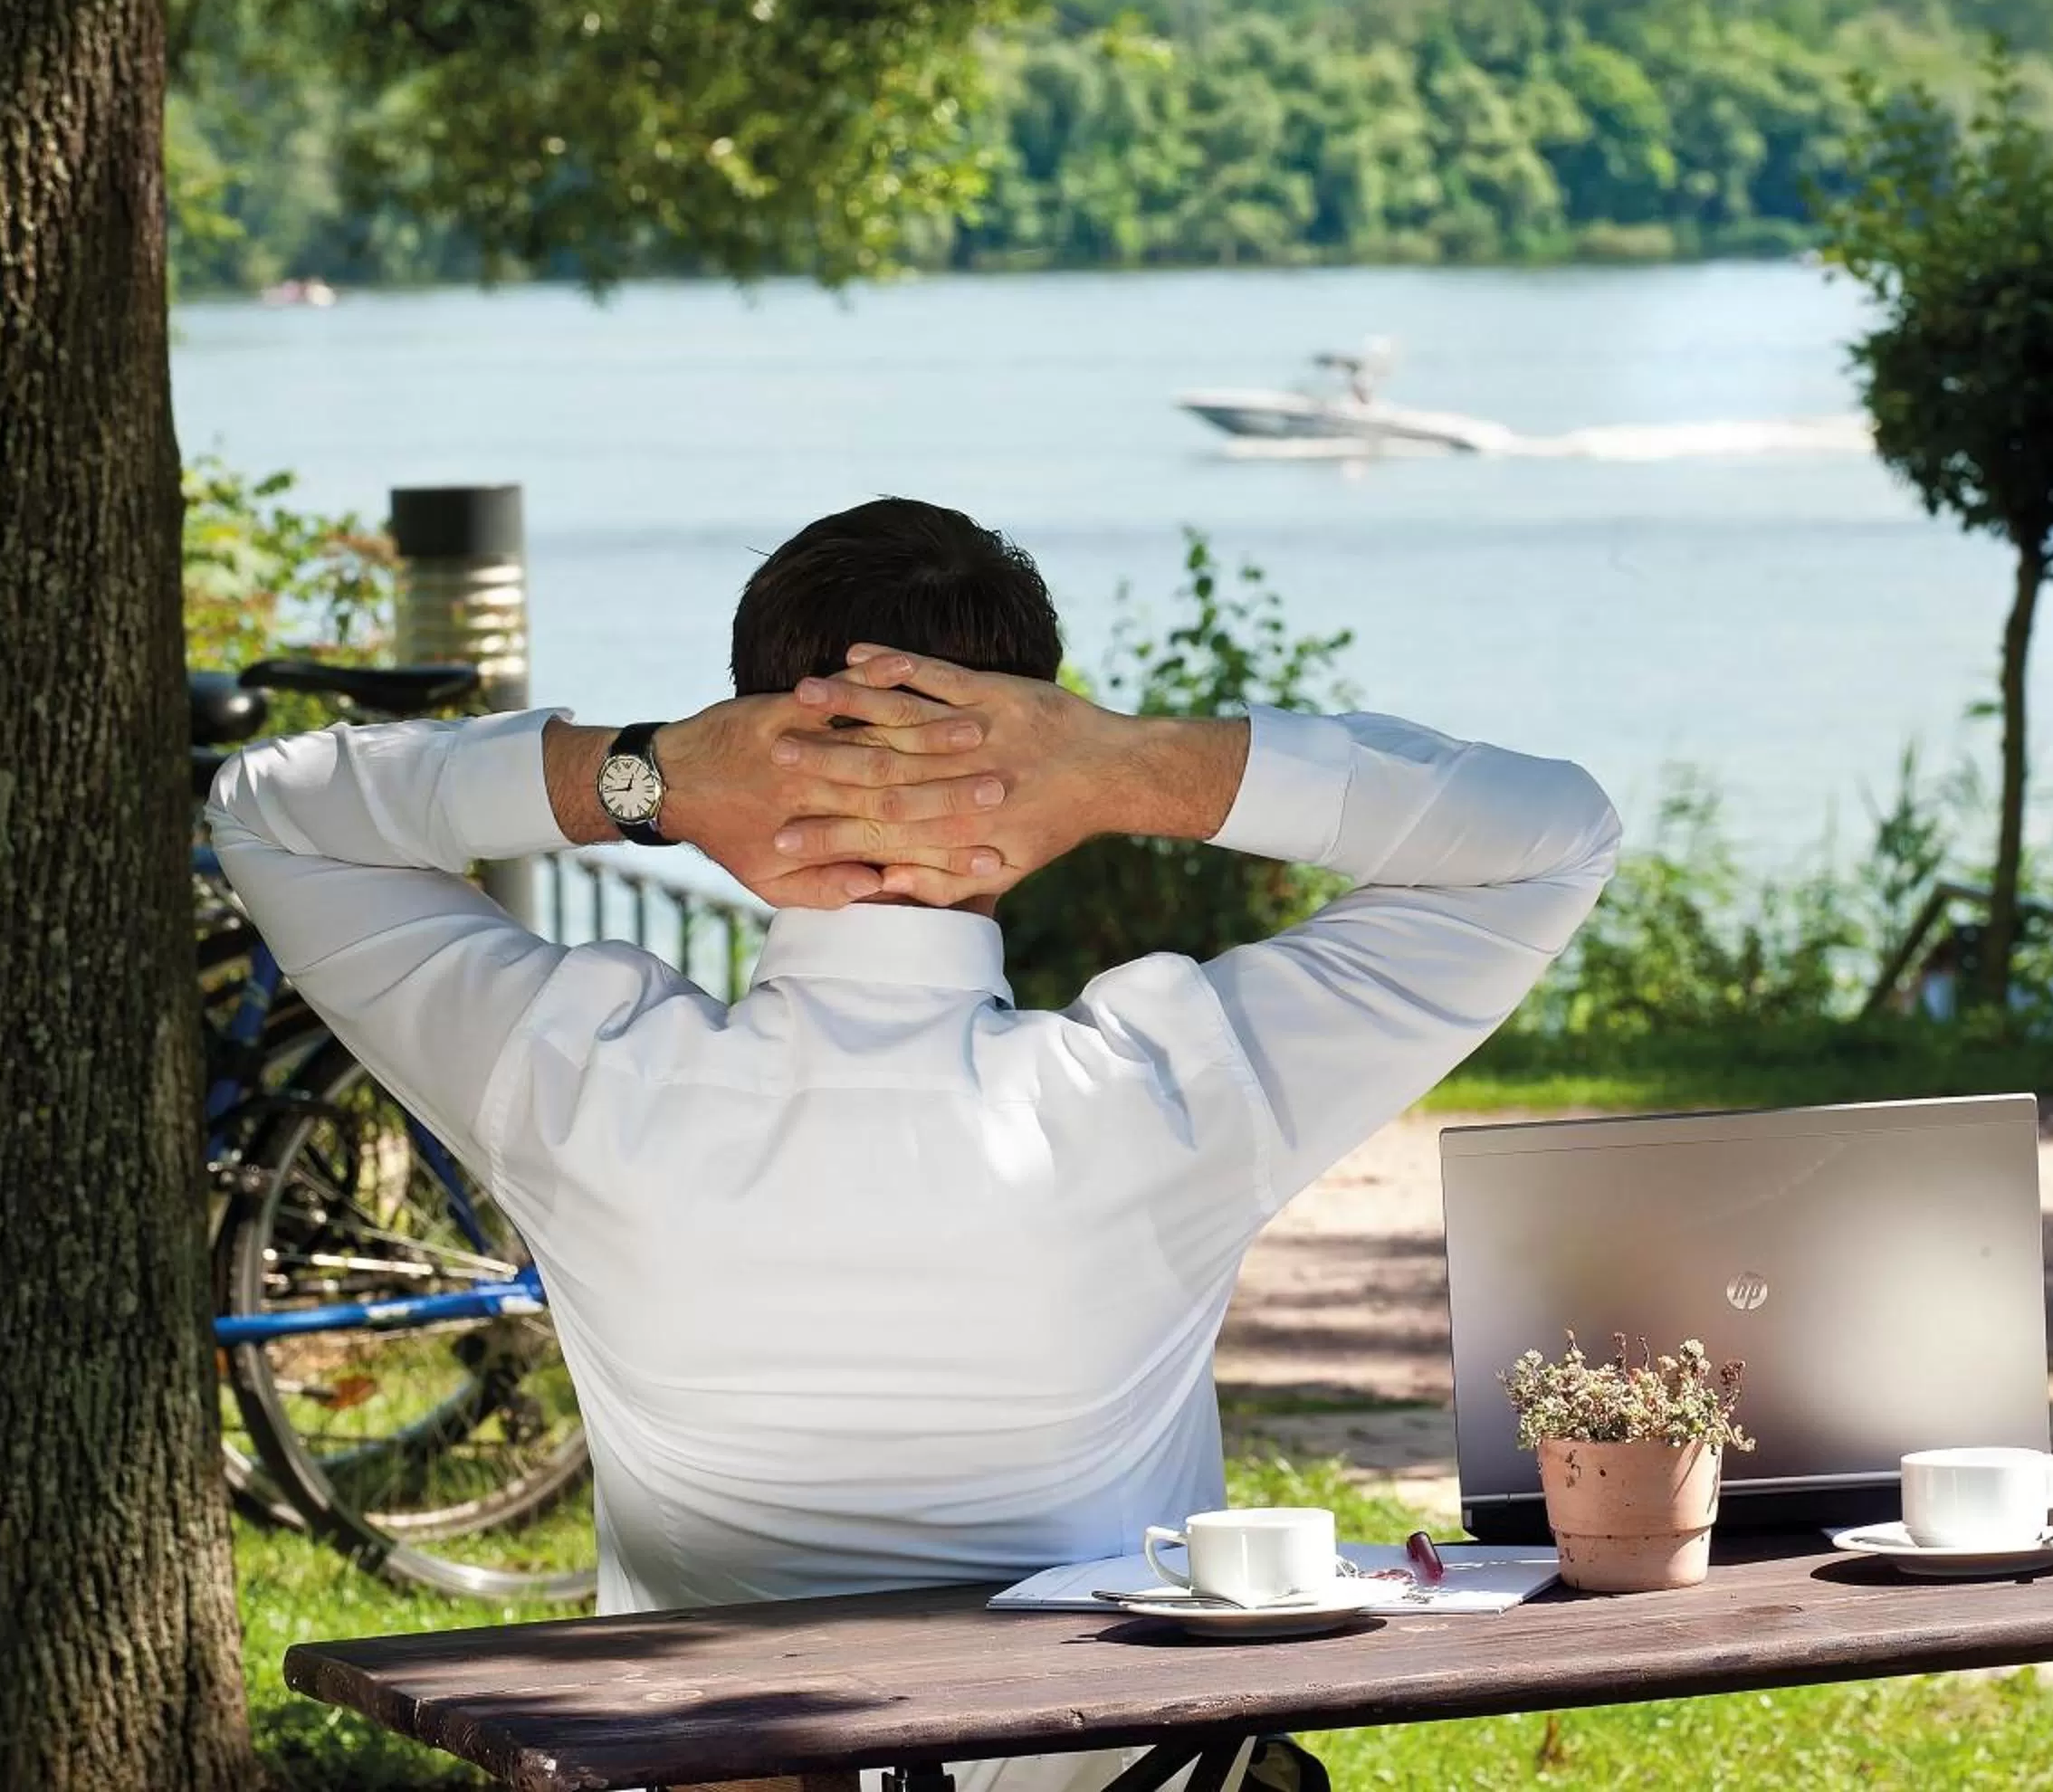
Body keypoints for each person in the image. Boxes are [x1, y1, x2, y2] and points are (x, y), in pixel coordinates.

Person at [207, 498, 1622, 1791]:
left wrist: (644, 778)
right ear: (1032, 743)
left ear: (749, 736)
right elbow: (1551, 838)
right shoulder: (1170, 1094)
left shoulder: (575, 1077)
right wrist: (1132, 769)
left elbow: (274, 813)